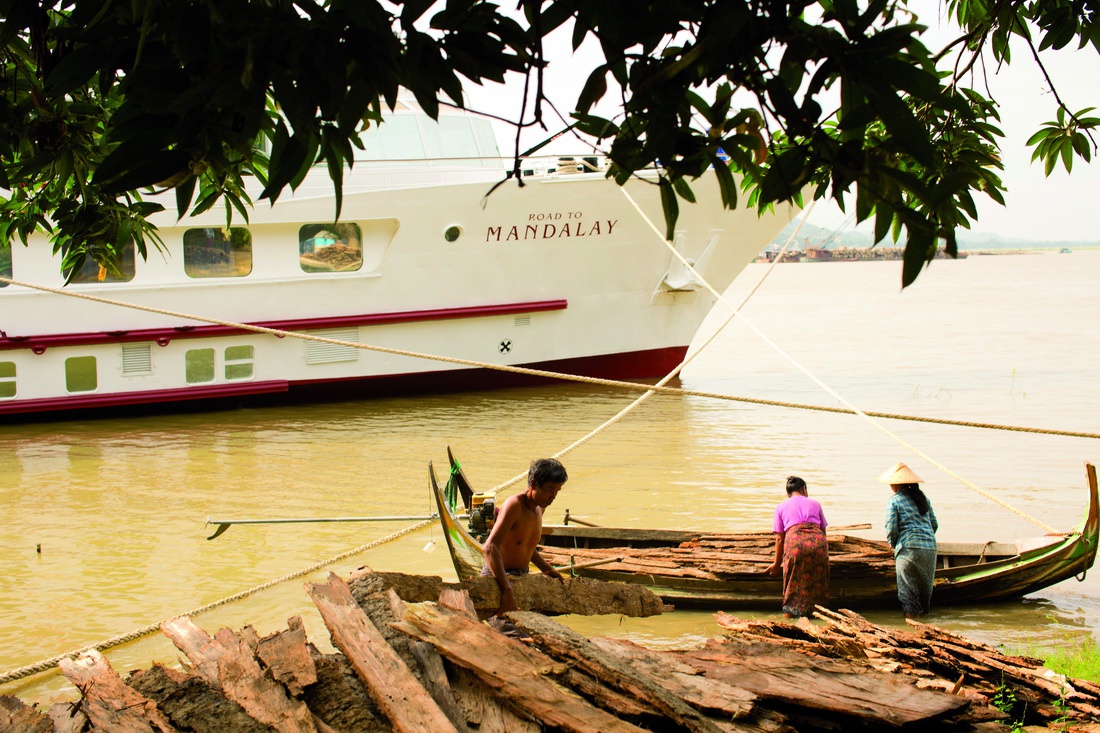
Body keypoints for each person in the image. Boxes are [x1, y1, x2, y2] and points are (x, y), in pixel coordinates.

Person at [481, 458, 567, 620]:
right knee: (508, 632)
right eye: (550, 489)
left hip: (521, 577)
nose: (553, 496)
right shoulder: (514, 505)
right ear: (534, 484)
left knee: (523, 629)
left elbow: (526, 545)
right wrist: (506, 589)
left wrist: (548, 569)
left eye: (557, 491)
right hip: (499, 577)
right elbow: (490, 548)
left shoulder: (539, 508)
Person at [764, 475, 829, 617]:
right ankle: (819, 614)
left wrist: (776, 565)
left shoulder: (780, 507)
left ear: (788, 493)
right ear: (804, 489)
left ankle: (789, 615)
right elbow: (823, 532)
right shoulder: (815, 504)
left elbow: (780, 539)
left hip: (796, 544)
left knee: (791, 582)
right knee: (818, 581)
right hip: (818, 543)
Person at [880, 461, 938, 619]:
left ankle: (912, 630)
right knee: (924, 593)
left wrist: (895, 547)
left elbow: (891, 529)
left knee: (908, 593)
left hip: (908, 549)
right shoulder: (923, 499)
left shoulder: (895, 500)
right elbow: (934, 524)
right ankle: (926, 627)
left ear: (897, 484)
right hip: (930, 548)